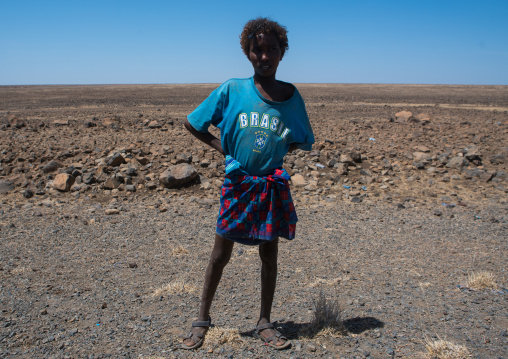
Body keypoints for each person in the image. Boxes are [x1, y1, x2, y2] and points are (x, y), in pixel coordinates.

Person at [182, 17, 314, 350]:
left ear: (282, 52)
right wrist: (222, 147)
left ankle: (264, 322)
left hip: (270, 186)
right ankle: (201, 320)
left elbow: (301, 138)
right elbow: (193, 122)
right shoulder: (231, 90)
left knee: (269, 255)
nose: (265, 56)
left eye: (272, 49)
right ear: (247, 53)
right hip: (238, 184)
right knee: (219, 254)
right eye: (258, 50)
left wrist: (274, 151)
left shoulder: (290, 97)